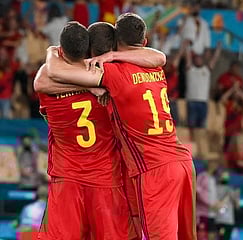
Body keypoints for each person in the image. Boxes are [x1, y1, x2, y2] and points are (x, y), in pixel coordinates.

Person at [44, 13, 196, 240]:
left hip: (153, 170)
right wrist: (115, 54)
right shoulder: (155, 68)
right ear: (143, 43)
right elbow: (160, 57)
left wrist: (51, 51)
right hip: (182, 162)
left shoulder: (113, 73)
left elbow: (48, 76)